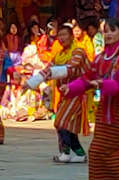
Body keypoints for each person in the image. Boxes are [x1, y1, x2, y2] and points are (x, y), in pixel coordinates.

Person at [65, 17, 119, 180]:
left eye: (112, 31)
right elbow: (87, 77)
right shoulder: (100, 58)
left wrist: (98, 84)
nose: (107, 34)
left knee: (101, 149)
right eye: (105, 31)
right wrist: (71, 88)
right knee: (110, 150)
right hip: (105, 104)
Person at [29, 23, 91, 163]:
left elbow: (70, 68)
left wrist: (52, 72)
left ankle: (66, 152)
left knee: (61, 122)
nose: (62, 38)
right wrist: (30, 83)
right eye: (59, 36)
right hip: (64, 94)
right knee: (66, 124)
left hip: (78, 92)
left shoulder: (78, 51)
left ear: (71, 36)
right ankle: (78, 153)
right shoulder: (59, 55)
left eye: (64, 35)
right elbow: (47, 69)